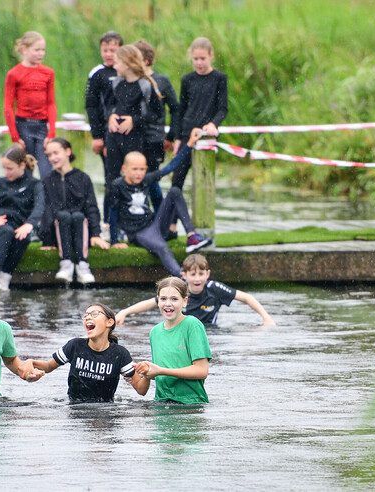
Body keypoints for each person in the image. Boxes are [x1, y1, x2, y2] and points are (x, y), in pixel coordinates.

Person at [109, 129, 211, 276]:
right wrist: (114, 240)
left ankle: (191, 236)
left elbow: (170, 167)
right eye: (135, 169)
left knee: (175, 191)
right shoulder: (117, 186)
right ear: (124, 169)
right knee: (162, 247)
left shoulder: (146, 179)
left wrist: (189, 144)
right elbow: (113, 213)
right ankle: (183, 278)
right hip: (139, 232)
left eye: (142, 169)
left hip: (155, 223)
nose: (139, 173)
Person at [116, 253, 276, 326]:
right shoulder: (179, 290)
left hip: (210, 331)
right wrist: (125, 312)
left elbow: (247, 298)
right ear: (184, 275)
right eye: (193, 274)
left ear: (208, 274)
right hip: (183, 329)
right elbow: (152, 302)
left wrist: (266, 318)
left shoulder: (215, 289)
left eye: (201, 274)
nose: (197, 278)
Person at [105, 44, 163, 244]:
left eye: (118, 61)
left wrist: (134, 120)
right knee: (111, 180)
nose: (114, 64)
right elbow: (109, 105)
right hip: (114, 136)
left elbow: (156, 113)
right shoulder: (116, 82)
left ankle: (150, 222)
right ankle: (110, 226)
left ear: (128, 64)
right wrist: (111, 116)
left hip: (135, 138)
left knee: (139, 180)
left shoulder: (146, 84)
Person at [29, 303, 147, 403]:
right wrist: (31, 363)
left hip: (106, 412)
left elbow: (141, 390)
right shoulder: (75, 346)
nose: (87, 317)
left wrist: (148, 374)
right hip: (74, 408)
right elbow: (49, 366)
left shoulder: (120, 354)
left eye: (94, 314)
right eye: (85, 315)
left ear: (110, 322)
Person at [40, 137, 110, 284]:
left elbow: (92, 207)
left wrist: (96, 233)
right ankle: (66, 264)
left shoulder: (83, 178)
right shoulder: (47, 180)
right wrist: (46, 239)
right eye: (49, 155)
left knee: (78, 216)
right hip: (57, 231)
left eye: (56, 153)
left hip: (81, 229)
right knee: (63, 215)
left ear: (68, 151)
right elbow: (45, 210)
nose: (52, 158)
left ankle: (82, 265)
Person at [134, 276, 212, 404]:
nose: (168, 304)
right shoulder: (155, 332)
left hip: (191, 404)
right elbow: (160, 373)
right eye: (163, 299)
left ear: (185, 301)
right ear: (158, 301)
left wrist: (161, 370)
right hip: (161, 403)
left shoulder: (192, 325)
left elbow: (202, 371)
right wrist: (145, 371)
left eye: (174, 299)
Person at [0, 145, 45, 292]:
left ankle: (5, 276)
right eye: (4, 168)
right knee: (7, 231)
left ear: (22, 165)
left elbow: (40, 206)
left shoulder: (34, 184)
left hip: (18, 231)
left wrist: (30, 224)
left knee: (24, 236)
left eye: (9, 168)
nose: (6, 172)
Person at [171, 37, 228, 190]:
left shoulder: (219, 79)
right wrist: (176, 138)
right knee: (176, 180)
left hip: (206, 135)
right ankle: (174, 214)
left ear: (211, 56)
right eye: (195, 59)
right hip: (186, 135)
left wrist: (213, 124)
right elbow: (181, 110)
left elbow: (223, 108)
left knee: (204, 181)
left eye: (203, 58)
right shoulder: (187, 80)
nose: (199, 63)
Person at [3, 31, 57, 178]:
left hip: (42, 127)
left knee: (47, 171)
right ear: (24, 50)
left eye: (43, 50)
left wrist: (51, 132)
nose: (41, 54)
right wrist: (15, 136)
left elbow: (51, 103)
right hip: (23, 127)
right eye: (37, 50)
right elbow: (8, 106)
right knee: (26, 171)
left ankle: (48, 200)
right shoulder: (14, 74)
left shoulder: (48, 73)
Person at [133, 40, 179, 212]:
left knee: (151, 180)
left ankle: (161, 219)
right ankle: (140, 219)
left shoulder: (162, 81)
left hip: (154, 139)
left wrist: (171, 136)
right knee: (135, 180)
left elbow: (175, 109)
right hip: (134, 138)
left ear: (146, 60)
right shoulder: (130, 81)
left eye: (135, 58)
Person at [85, 31, 123, 230]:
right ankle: (109, 223)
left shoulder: (126, 71)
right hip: (106, 136)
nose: (109, 54)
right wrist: (98, 136)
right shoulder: (97, 74)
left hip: (127, 134)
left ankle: (128, 221)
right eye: (105, 50)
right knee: (111, 178)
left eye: (113, 50)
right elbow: (91, 106)